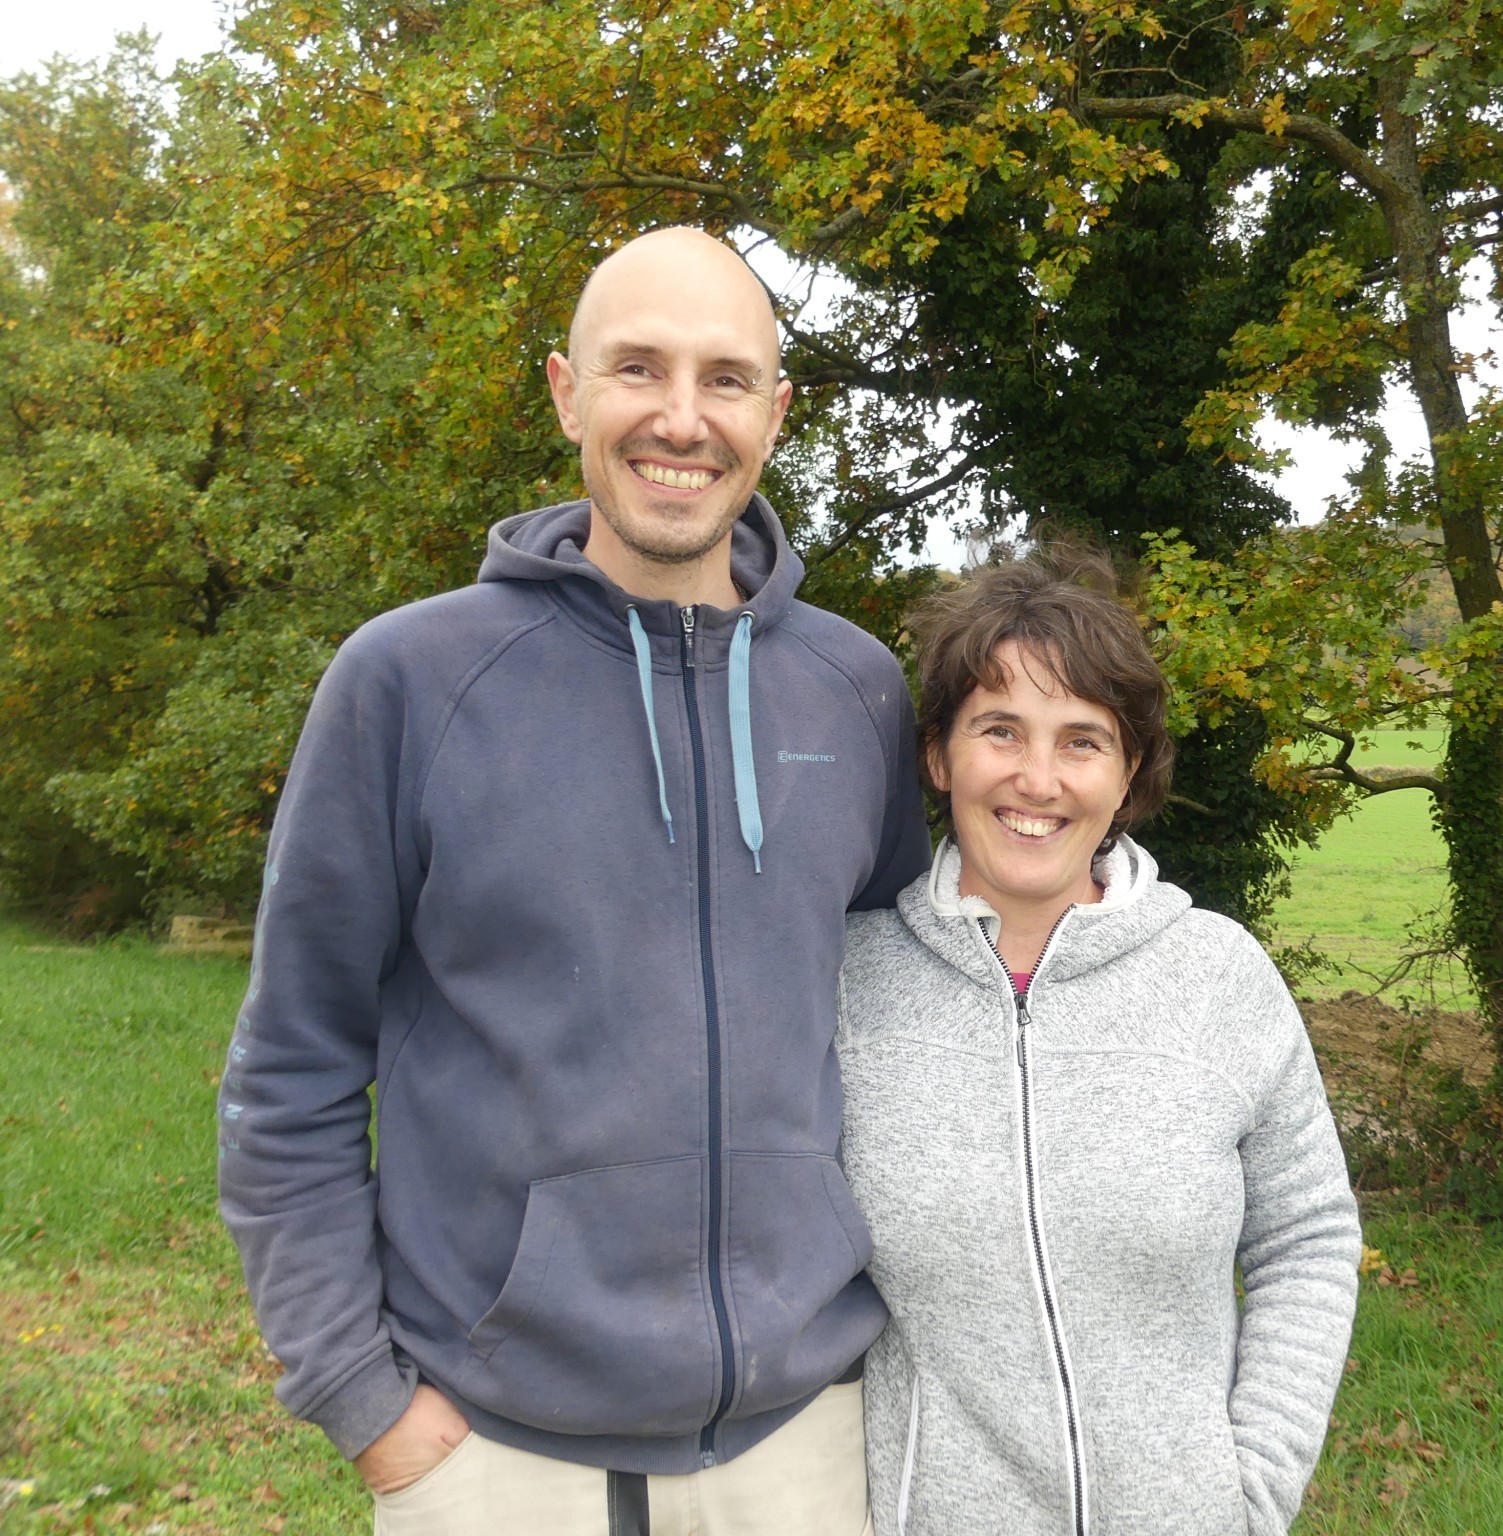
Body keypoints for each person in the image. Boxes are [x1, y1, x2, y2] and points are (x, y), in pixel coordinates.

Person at [217, 227, 928, 1536]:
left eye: (724, 378)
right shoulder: (411, 684)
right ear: (565, 392)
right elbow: (291, 1066)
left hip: (806, 1446)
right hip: (490, 1454)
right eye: (636, 369)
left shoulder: (856, 691)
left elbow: (911, 1009)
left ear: (775, 413)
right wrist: (362, 1401)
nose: (679, 418)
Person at [836, 554, 1362, 1536]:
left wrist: (1249, 1490)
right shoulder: (846, 987)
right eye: (999, 730)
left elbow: (1307, 1237)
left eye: (1081, 741)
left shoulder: (1217, 977)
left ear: (1127, 774)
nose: (1036, 779)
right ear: (939, 756)